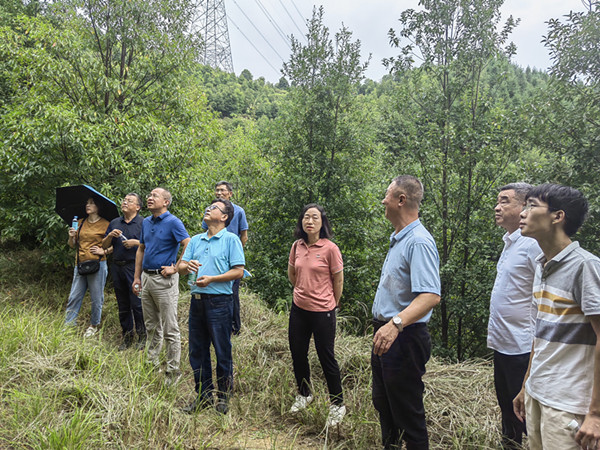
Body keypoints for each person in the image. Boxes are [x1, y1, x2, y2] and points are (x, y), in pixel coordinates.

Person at [513, 184, 600, 450]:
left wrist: (595, 414)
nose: (522, 213)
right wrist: (527, 384)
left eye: (531, 205)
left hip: (568, 404)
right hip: (539, 395)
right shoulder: (542, 265)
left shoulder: (585, 267)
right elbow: (541, 334)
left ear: (557, 216)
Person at [371, 175, 441, 450]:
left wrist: (395, 324)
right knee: (385, 407)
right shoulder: (399, 239)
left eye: (387, 195)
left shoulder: (419, 242)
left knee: (407, 414)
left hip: (404, 336)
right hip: (387, 334)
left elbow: (431, 295)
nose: (383, 201)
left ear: (401, 200)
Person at [488, 183, 541, 449]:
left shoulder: (532, 245)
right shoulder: (510, 243)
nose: (497, 207)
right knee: (507, 409)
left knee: (525, 413)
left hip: (523, 347)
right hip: (503, 345)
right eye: (497, 201)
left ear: (524, 207)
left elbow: (544, 297)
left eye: (505, 201)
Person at [179, 198, 245, 414]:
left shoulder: (231, 239)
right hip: (196, 302)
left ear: (225, 217)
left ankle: (223, 397)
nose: (208, 209)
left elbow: (238, 271)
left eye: (214, 208)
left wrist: (212, 279)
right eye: (207, 207)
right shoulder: (196, 240)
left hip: (220, 303)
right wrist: (185, 266)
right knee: (197, 351)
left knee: (221, 349)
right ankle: (203, 395)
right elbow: (180, 267)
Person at [287, 203, 346, 427]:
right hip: (299, 309)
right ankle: (304, 394)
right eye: (306, 217)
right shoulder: (297, 246)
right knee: (298, 353)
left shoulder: (331, 248)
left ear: (322, 223)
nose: (309, 221)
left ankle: (337, 404)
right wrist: (302, 290)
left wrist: (333, 303)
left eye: (314, 218)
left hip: (323, 311)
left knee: (326, 356)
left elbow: (338, 280)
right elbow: (292, 274)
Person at [132, 188, 190, 386]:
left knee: (170, 328)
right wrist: (136, 277)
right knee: (151, 326)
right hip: (146, 279)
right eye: (149, 195)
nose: (149, 198)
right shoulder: (146, 222)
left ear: (166, 202)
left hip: (164, 281)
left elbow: (188, 243)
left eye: (154, 196)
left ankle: (173, 372)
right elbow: (141, 249)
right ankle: (151, 364)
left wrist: (176, 268)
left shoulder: (173, 222)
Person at [201, 181, 248, 335]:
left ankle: (235, 327)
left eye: (222, 190)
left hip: (230, 256)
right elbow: (205, 231)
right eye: (217, 190)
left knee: (232, 293)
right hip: (213, 255)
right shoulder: (211, 211)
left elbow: (244, 236)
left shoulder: (239, 211)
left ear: (230, 193)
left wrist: (235, 254)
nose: (219, 193)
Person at [102, 193, 146, 351]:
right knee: (122, 303)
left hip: (134, 267)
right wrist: (110, 236)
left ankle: (142, 336)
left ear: (138, 207)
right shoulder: (115, 222)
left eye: (130, 201)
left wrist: (136, 243)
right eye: (124, 200)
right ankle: (127, 337)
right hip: (117, 266)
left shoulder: (143, 223)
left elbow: (151, 245)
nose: (125, 202)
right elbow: (103, 244)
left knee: (137, 303)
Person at [65, 197, 111, 337]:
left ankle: (93, 325)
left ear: (98, 206)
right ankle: (69, 325)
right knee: (74, 296)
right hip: (80, 264)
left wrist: (104, 251)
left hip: (98, 264)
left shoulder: (106, 224)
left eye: (91, 203)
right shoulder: (80, 222)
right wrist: (71, 236)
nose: (88, 205)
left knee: (97, 297)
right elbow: (72, 245)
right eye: (87, 203)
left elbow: (114, 245)